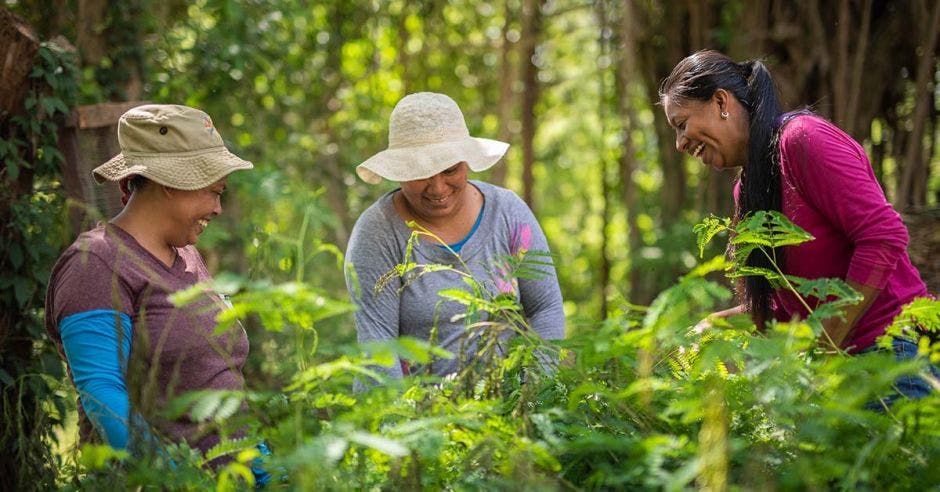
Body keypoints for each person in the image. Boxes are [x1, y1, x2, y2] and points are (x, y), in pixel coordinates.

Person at [659, 50, 936, 401]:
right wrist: (720, 324)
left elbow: (882, 237)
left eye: (681, 124)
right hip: (841, 375)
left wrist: (825, 341)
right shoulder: (748, 190)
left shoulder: (802, 140)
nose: (680, 143)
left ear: (720, 101)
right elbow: (789, 306)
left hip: (896, 358)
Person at [45, 104, 271, 483]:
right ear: (170, 182)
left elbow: (215, 376)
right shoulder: (96, 265)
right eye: (213, 192)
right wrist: (174, 479)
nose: (217, 208)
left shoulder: (186, 253)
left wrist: (259, 459)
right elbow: (103, 394)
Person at [345, 92, 565, 383]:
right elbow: (378, 349)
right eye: (420, 174)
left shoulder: (508, 214)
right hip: (422, 417)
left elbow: (545, 308)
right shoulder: (377, 232)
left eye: (449, 170)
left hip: (513, 410)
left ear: (466, 162)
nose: (437, 188)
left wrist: (534, 396)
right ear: (399, 172)